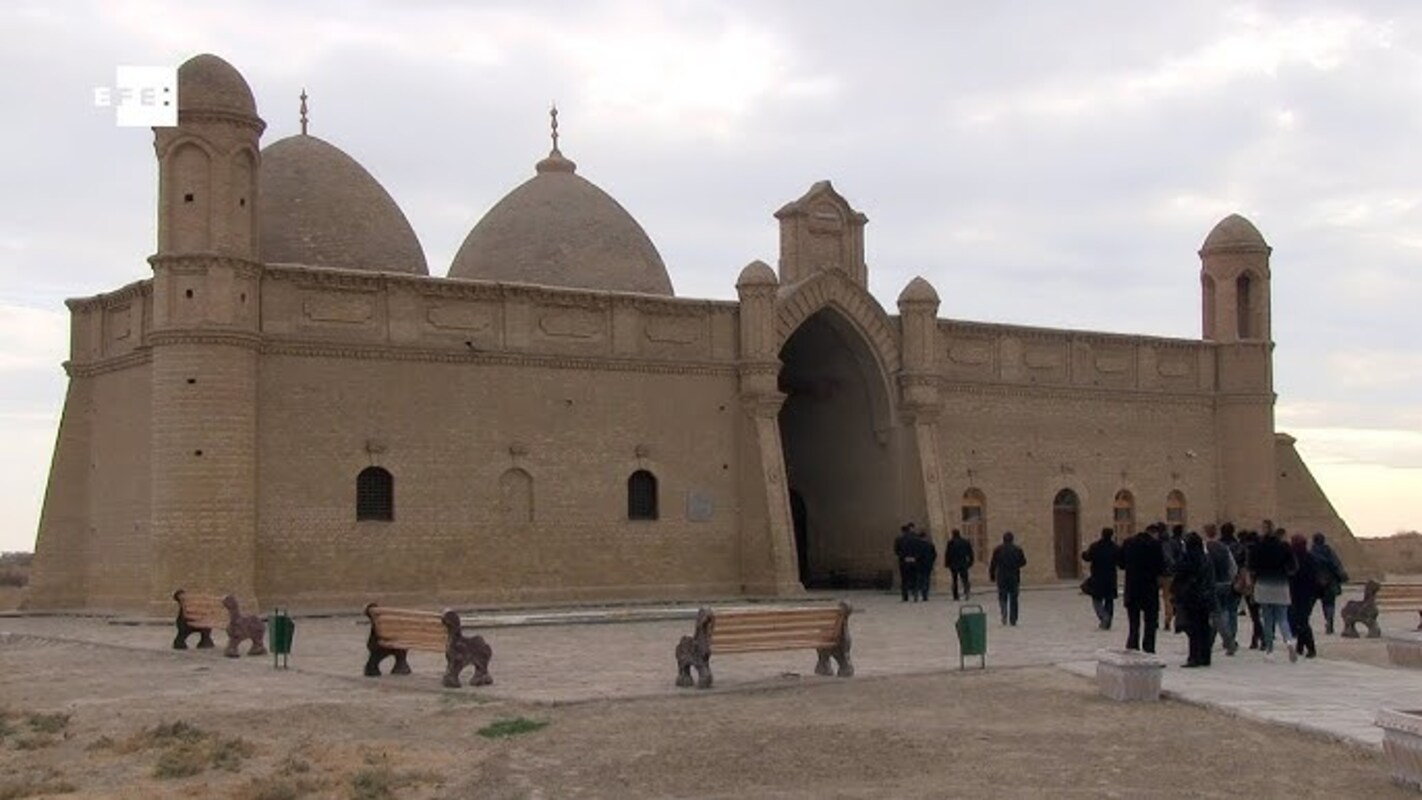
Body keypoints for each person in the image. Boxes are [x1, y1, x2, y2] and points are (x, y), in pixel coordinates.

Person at [1251, 526, 1299, 663]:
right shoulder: (1284, 547)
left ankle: (1269, 650)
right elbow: (1294, 567)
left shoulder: (1258, 548)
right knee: (1283, 618)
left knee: (1267, 621)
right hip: (1281, 585)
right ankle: (1289, 642)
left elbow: (1252, 566)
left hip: (1263, 585)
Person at [1117, 524, 1166, 653]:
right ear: (1154, 533)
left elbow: (1121, 564)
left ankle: (1133, 644)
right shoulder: (1155, 545)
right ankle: (1149, 647)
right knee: (1150, 621)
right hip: (1149, 588)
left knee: (1134, 621)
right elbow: (1161, 567)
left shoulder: (1128, 543)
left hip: (1132, 587)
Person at [1172, 532, 1217, 667]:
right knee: (1204, 627)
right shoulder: (1206, 558)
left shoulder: (1190, 558)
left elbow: (1178, 570)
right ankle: (1205, 656)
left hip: (1192, 597)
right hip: (1205, 597)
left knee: (1193, 628)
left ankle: (1194, 657)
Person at [1203, 524, 1239, 656]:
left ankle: (1229, 642)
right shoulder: (1224, 548)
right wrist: (1229, 580)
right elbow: (1233, 567)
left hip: (1211, 585)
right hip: (1225, 584)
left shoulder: (1205, 548)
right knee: (1219, 613)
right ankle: (1209, 644)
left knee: (1215, 616)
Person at [1289, 534, 1320, 658]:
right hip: (1308, 594)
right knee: (1302, 620)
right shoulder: (1310, 558)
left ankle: (1311, 648)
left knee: (1301, 621)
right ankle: (1301, 647)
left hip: (1298, 593)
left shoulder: (1295, 558)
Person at [1081, 528, 1119, 630]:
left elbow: (1087, 557)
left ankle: (1104, 617)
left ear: (1102, 534)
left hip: (1097, 577)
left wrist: (1083, 553)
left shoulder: (1095, 546)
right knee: (1109, 600)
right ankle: (1108, 620)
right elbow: (1120, 561)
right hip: (1110, 577)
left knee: (1096, 599)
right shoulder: (1115, 547)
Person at [1311, 532, 1349, 634]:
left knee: (1321, 603)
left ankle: (1303, 623)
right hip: (1330, 582)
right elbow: (1336, 565)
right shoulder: (1329, 552)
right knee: (1330, 603)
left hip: (1316, 582)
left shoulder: (1312, 553)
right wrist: (1342, 576)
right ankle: (1329, 621)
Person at [988, 531, 1027, 626]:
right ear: (1012, 540)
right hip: (1014, 576)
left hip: (1002, 576)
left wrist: (992, 575)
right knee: (1014, 598)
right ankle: (1013, 619)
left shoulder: (998, 550)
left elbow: (993, 564)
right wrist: (1015, 564)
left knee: (1002, 596)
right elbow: (1023, 562)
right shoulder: (1017, 550)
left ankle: (1004, 614)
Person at [945, 529, 975, 601]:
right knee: (965, 579)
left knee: (954, 580)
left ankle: (955, 595)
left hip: (954, 564)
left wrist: (947, 563)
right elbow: (970, 553)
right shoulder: (965, 542)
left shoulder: (950, 543)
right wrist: (970, 562)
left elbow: (948, 554)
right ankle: (967, 592)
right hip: (963, 563)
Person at [893, 524, 919, 602]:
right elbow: (918, 549)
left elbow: (896, 550)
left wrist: (902, 556)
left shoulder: (898, 539)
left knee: (904, 579)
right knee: (914, 578)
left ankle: (905, 596)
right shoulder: (915, 538)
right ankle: (915, 594)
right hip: (914, 560)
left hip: (904, 561)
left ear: (902, 531)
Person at [912, 525, 937, 602]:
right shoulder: (930, 545)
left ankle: (916, 592)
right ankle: (925, 594)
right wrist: (931, 561)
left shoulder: (916, 545)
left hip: (919, 564)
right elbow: (934, 554)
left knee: (918, 579)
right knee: (926, 579)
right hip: (927, 565)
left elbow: (914, 554)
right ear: (925, 536)